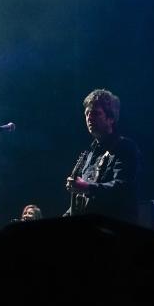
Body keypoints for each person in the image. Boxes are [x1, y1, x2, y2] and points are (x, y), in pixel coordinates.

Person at [65, 88, 140, 222]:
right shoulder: (89, 153)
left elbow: (123, 188)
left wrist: (87, 187)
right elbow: (82, 201)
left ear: (111, 118)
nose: (89, 118)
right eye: (87, 113)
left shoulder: (125, 147)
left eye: (95, 113)